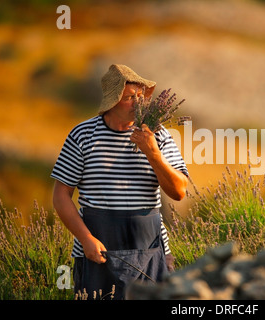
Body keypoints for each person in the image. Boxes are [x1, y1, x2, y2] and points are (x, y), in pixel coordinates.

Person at [51, 64, 189, 299]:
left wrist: (153, 153)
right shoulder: (83, 135)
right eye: (129, 98)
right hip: (97, 248)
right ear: (112, 101)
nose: (137, 103)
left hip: (150, 247)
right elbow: (60, 196)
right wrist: (86, 239)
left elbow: (179, 192)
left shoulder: (158, 135)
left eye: (140, 96)